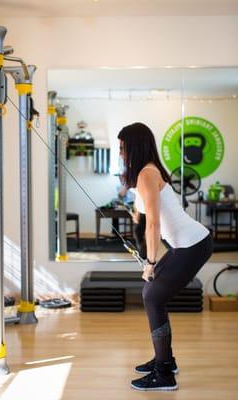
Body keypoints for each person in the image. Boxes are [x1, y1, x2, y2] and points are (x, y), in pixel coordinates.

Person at [118, 122, 213, 392]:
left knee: (152, 296)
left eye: (124, 148)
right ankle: (165, 362)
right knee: (152, 294)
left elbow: (154, 225)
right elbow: (147, 213)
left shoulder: (147, 174)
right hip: (187, 244)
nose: (121, 153)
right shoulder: (147, 172)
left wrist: (150, 262)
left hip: (193, 244)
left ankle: (164, 375)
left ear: (135, 146)